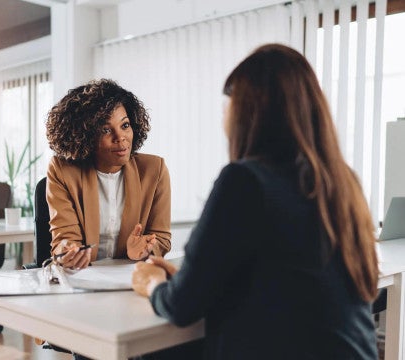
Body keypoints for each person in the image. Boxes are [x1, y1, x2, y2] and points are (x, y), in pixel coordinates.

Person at [132, 44, 379, 359]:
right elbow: (280, 282)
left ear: (250, 109)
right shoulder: (343, 181)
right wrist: (187, 279)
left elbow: (181, 306)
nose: (224, 112)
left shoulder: (245, 181)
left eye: (229, 100)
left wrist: (152, 284)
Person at [45, 78, 171, 269]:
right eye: (105, 129)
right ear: (84, 136)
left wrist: (145, 249)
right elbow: (64, 238)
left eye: (125, 125)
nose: (120, 137)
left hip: (129, 279)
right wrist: (68, 250)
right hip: (83, 278)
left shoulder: (154, 170)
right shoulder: (62, 170)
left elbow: (161, 238)